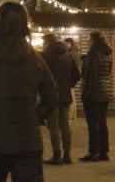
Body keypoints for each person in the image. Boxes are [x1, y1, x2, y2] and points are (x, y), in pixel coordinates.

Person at [0, 1, 58, 182]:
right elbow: (52, 95)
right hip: (28, 138)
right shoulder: (35, 58)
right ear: (24, 24)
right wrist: (36, 115)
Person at [42, 34, 80, 165]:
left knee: (53, 126)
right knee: (65, 126)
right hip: (65, 95)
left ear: (47, 42)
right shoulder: (68, 56)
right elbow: (77, 75)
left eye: (43, 42)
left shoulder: (45, 56)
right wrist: (67, 85)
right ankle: (67, 156)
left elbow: (41, 76)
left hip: (51, 96)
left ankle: (56, 155)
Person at [79, 32, 113, 162]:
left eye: (89, 39)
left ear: (94, 40)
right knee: (102, 123)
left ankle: (93, 152)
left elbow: (90, 77)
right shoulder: (107, 54)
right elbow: (106, 73)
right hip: (105, 92)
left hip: (94, 93)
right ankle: (104, 152)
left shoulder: (93, 54)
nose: (88, 41)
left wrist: (85, 95)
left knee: (93, 124)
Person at [64, 37, 80, 122]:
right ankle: (73, 116)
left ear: (69, 43)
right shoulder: (76, 52)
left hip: (70, 77)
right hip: (74, 77)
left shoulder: (71, 53)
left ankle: (71, 116)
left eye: (65, 43)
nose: (64, 45)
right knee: (72, 96)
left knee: (71, 97)